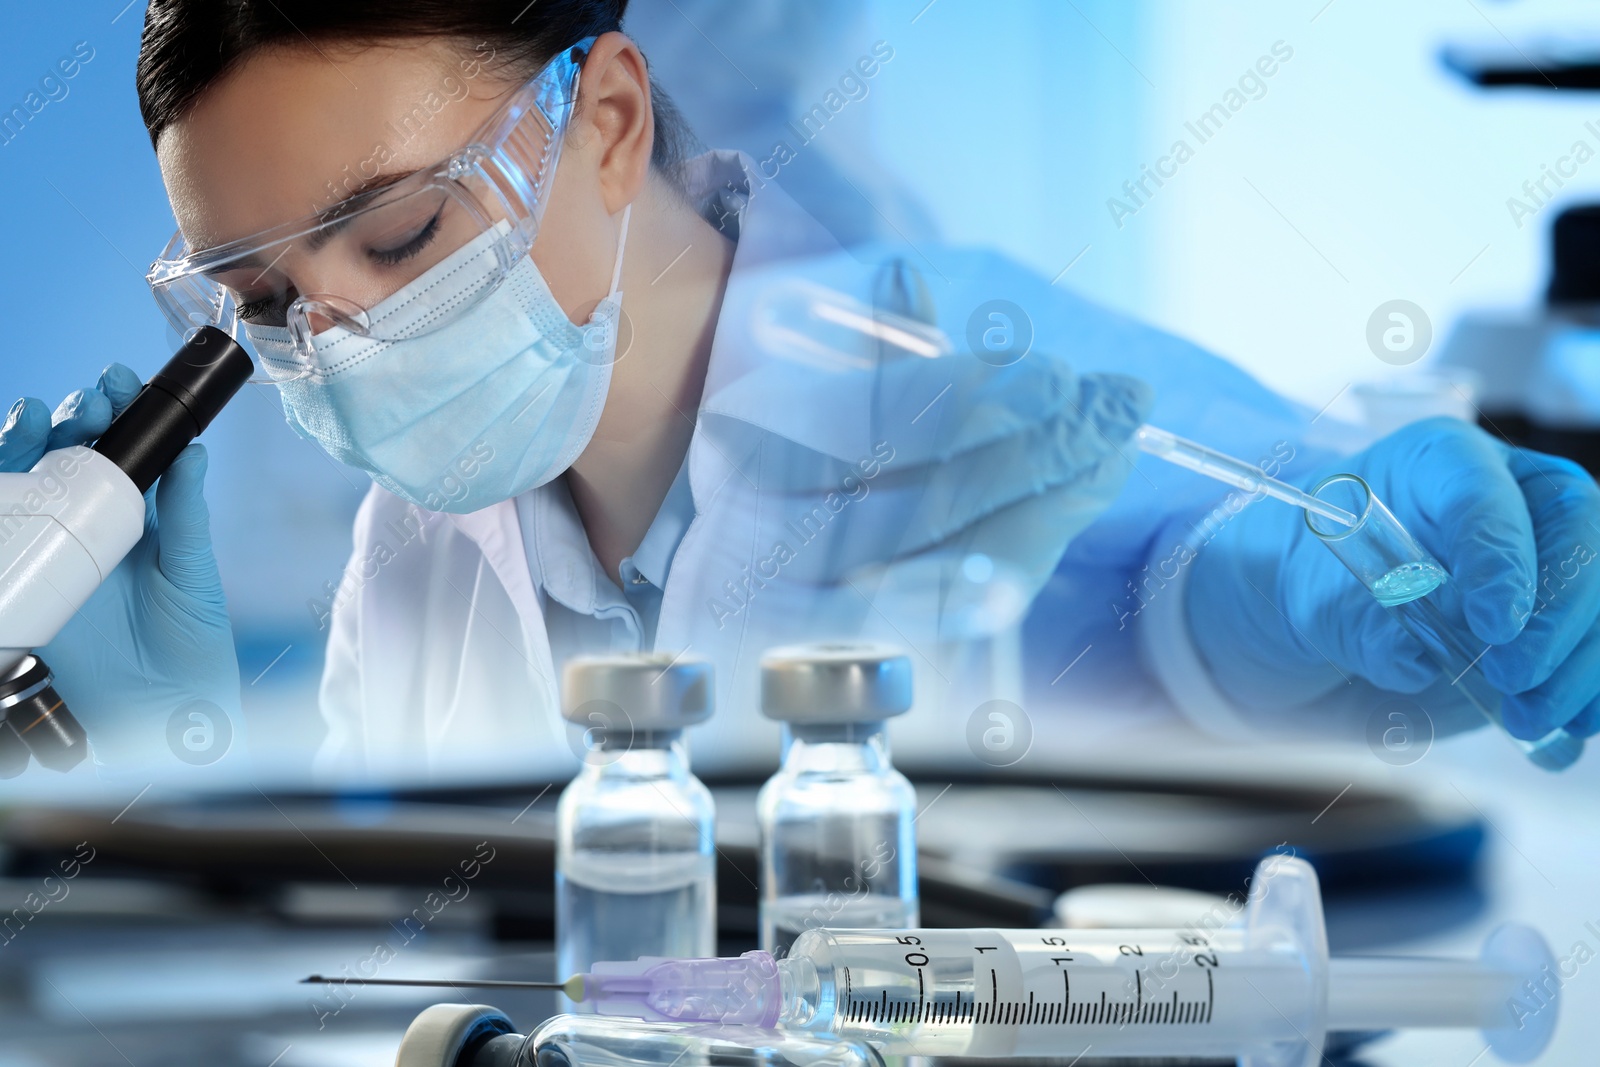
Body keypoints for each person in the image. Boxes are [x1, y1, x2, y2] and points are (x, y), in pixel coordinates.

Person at [1, 0, 1595, 778]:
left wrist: (1263, 624)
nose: (339, 340)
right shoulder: (411, 564)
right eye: (267, 303)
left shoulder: (966, 352)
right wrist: (169, 767)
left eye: (403, 231)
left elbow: (1274, 577)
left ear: (611, 121)